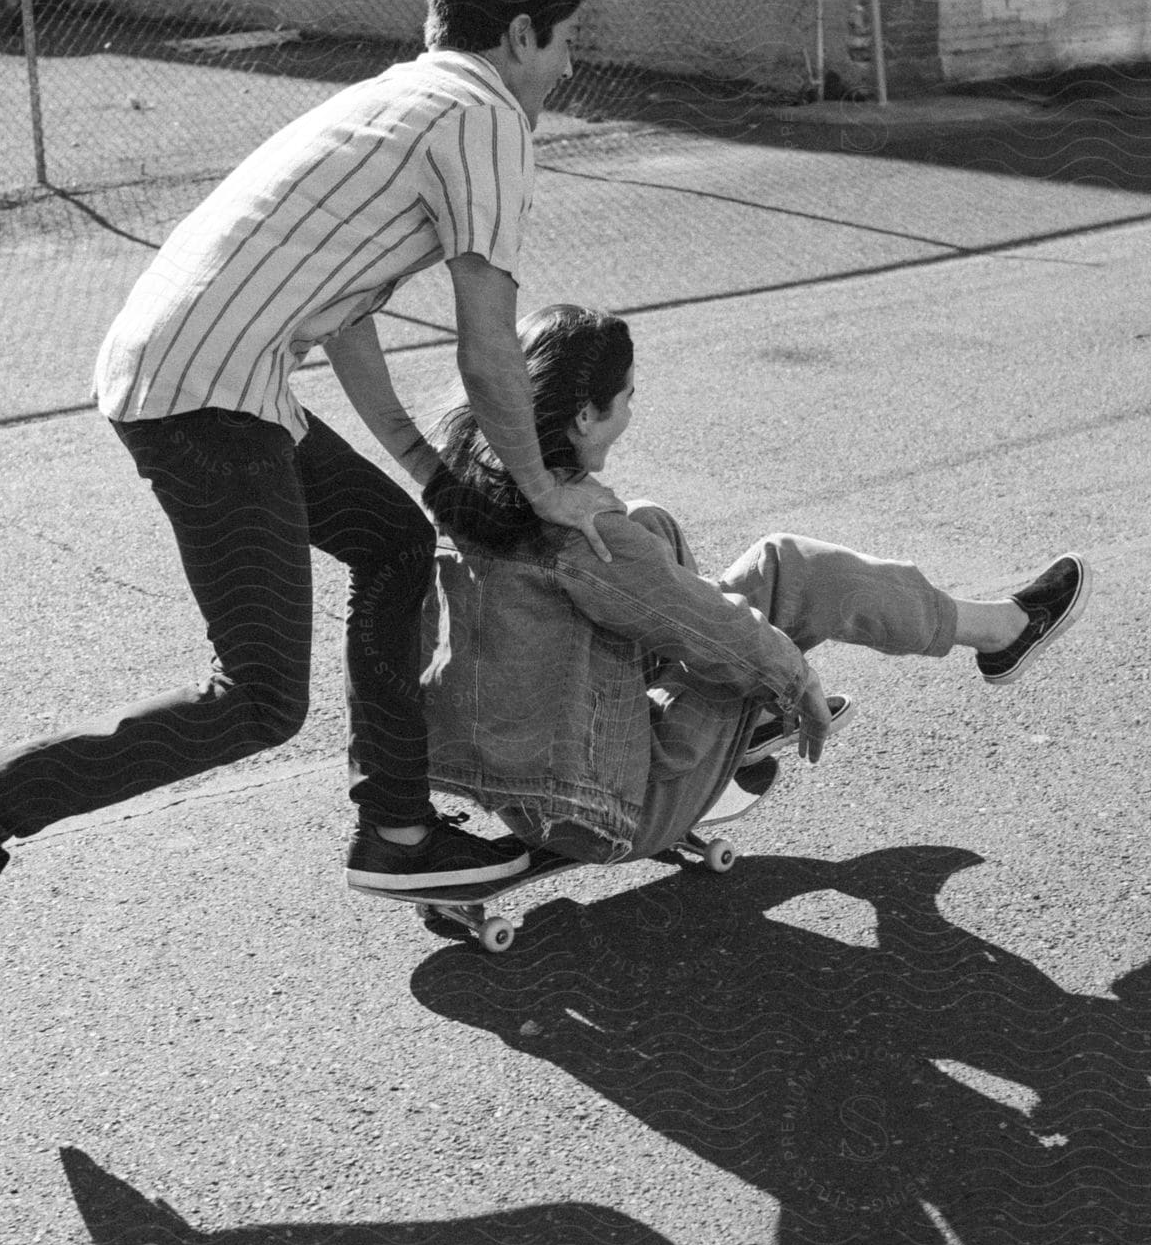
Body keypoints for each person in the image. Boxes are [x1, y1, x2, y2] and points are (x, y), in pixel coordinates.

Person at [0, 0, 622, 987]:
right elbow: (493, 351)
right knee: (260, 700)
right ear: (518, 40)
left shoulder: (398, 98)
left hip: (207, 372)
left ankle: (398, 834)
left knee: (397, 547)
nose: (567, 66)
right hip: (204, 394)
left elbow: (347, 317)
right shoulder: (485, 117)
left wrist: (431, 477)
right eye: (564, 42)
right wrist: (547, 492)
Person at [407, 303, 1092, 866]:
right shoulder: (586, 538)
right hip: (611, 808)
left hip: (516, 783)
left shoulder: (470, 492)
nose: (630, 413)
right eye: (627, 399)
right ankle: (1001, 631)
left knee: (652, 523)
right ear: (584, 416)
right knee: (791, 568)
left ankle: (756, 714)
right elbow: (723, 634)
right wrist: (797, 686)